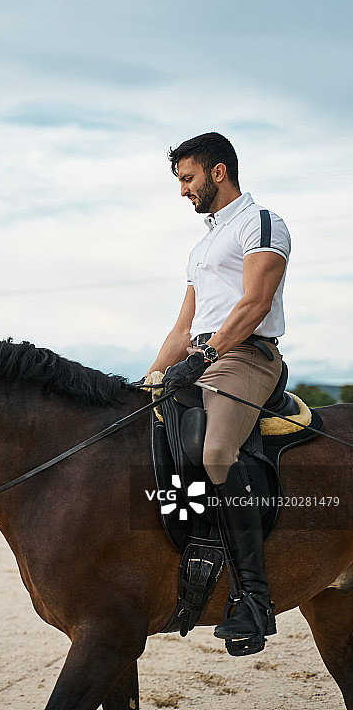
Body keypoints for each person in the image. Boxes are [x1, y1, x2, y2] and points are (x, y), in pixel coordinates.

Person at [146, 131, 290, 646]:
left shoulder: (260, 223)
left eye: (187, 178)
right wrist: (149, 379)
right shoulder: (203, 245)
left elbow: (253, 305)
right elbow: (183, 328)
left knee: (216, 451)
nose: (183, 190)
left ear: (218, 172)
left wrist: (208, 355)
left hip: (247, 355)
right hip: (201, 358)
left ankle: (254, 601)